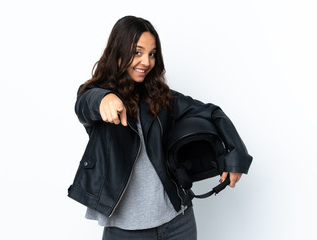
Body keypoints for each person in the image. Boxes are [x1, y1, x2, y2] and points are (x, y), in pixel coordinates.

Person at [68, 15, 252, 240]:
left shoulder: (162, 99)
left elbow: (213, 112)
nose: (146, 61)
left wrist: (236, 158)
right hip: (125, 232)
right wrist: (103, 99)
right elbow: (84, 104)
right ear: (118, 51)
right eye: (137, 52)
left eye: (152, 54)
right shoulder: (95, 95)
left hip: (178, 224)